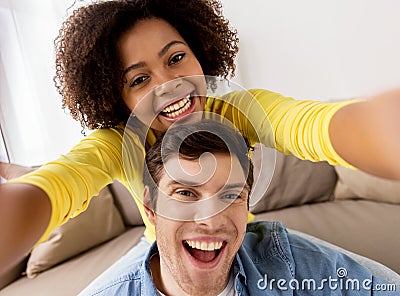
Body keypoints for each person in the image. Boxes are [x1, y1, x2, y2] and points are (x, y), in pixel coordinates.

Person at [0, 0, 399, 281]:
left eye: (176, 58)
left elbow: (312, 125)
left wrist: (378, 128)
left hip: (244, 242)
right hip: (164, 255)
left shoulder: (241, 109)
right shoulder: (116, 144)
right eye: (139, 79)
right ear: (115, 98)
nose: (170, 84)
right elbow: (60, 183)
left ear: (201, 54)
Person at [86, 120, 397, 295]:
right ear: (150, 207)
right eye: (186, 193)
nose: (211, 219)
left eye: (230, 195)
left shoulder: (297, 266)